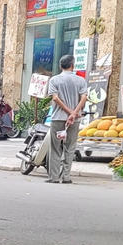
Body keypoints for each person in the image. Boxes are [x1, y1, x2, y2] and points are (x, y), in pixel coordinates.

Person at [46, 54, 88, 184]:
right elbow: (84, 98)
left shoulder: (54, 80)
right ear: (72, 65)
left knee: (55, 148)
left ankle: (53, 177)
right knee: (70, 147)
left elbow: (55, 98)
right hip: (74, 120)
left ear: (60, 66)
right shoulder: (81, 81)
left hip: (58, 119)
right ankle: (66, 177)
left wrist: (69, 112)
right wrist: (74, 113)